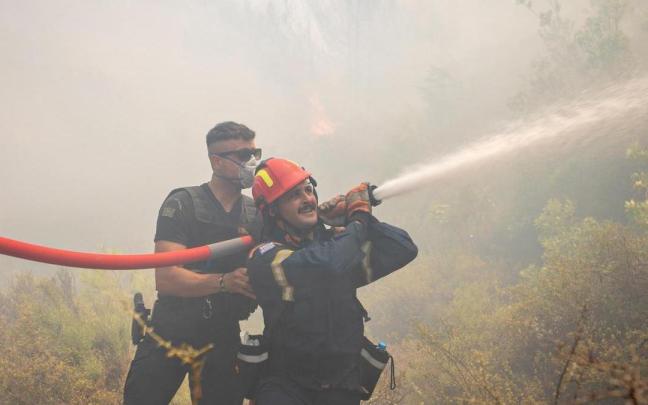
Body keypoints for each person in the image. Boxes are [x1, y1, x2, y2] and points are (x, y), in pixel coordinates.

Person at [246, 158, 418, 405]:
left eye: (308, 190)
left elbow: (402, 248)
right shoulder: (266, 256)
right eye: (294, 195)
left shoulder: (335, 246)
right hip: (286, 387)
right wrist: (358, 218)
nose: (307, 199)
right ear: (272, 210)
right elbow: (326, 266)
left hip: (342, 386)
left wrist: (351, 221)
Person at [124, 121, 263, 405]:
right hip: (171, 331)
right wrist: (224, 282)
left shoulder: (257, 213)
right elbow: (166, 278)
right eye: (243, 155)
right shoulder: (182, 203)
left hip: (222, 337)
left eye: (255, 152)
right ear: (217, 161)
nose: (253, 162)